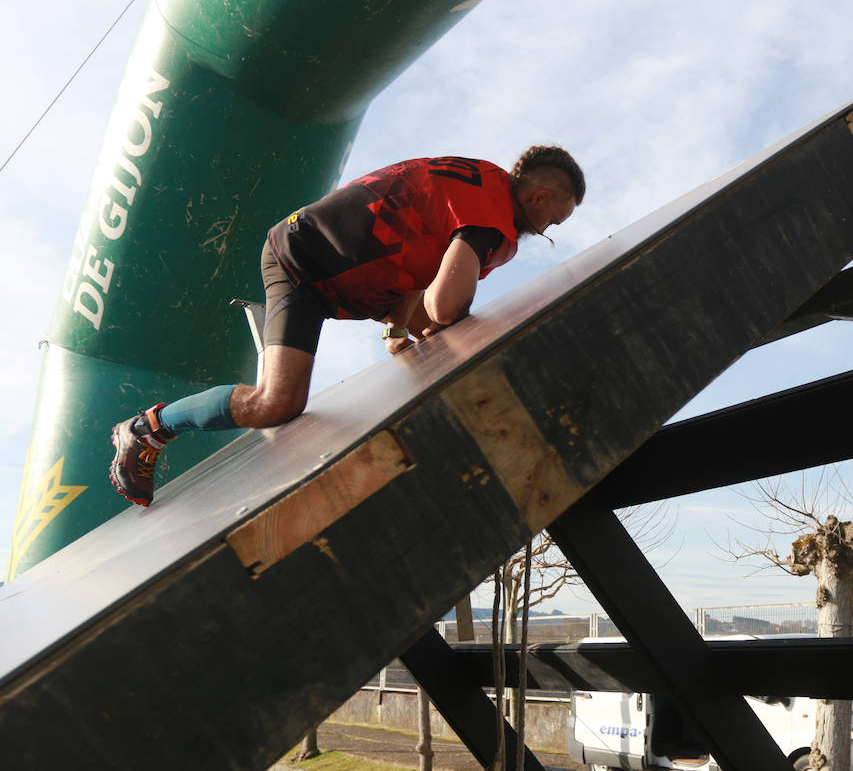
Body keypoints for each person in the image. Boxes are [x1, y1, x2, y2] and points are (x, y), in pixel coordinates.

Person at [109, 145, 585, 507]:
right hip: (306, 267)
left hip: (336, 261)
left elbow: (417, 264)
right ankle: (147, 427)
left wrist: (400, 330)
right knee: (277, 402)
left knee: (434, 340)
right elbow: (443, 305)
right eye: (552, 219)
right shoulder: (493, 220)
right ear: (539, 196)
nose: (546, 228)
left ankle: (398, 337)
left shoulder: (479, 180)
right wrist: (433, 325)